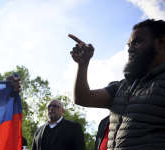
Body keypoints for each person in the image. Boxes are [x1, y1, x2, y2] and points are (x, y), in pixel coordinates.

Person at [69, 19, 165, 149]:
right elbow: (82, 98)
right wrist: (83, 64)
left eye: (137, 42)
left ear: (160, 42)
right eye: (129, 44)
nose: (130, 49)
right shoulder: (122, 86)